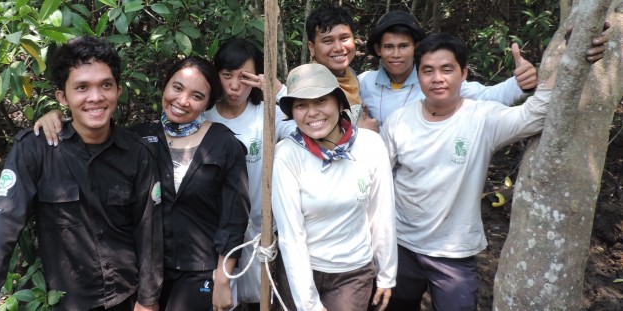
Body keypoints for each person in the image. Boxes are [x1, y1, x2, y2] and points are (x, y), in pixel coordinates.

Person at [378, 32, 594, 310]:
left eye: (447, 69)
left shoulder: (483, 118)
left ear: (463, 73)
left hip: (453, 252)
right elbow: (378, 175)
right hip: (401, 245)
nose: (437, 78)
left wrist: (572, 55)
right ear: (418, 76)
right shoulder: (399, 121)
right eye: (427, 71)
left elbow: (536, 114)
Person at [0, 36, 163, 311]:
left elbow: (148, 233)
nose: (96, 97)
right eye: (81, 87)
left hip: (126, 297)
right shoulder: (35, 150)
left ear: (118, 90)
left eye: (106, 85)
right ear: (62, 97)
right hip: (67, 301)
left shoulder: (137, 153)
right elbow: (1, 233)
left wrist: (148, 301)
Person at [34, 56, 251, 311]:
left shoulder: (224, 144)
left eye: (196, 95)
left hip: (198, 271)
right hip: (140, 273)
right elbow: (89, 136)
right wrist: (55, 116)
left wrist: (223, 280)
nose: (182, 101)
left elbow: (234, 218)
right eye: (177, 88)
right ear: (165, 86)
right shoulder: (136, 138)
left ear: (207, 103)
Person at [272, 63, 397, 311]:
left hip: (353, 271)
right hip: (300, 269)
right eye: (301, 105)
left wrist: (387, 272)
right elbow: (290, 234)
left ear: (340, 104)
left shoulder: (370, 145)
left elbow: (381, 213)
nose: (312, 112)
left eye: (321, 101)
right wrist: (310, 305)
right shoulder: (287, 154)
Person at [360, 10, 609, 127]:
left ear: (416, 47)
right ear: (378, 50)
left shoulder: (436, 83)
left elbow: (488, 95)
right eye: (388, 47)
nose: (395, 54)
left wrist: (520, 83)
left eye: (403, 45)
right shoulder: (364, 83)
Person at [205, 38, 297, 307]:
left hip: (263, 230)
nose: (234, 86)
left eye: (244, 77)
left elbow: (306, 130)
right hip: (218, 235)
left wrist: (276, 88)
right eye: (226, 75)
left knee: (264, 300)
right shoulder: (205, 117)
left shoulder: (268, 113)